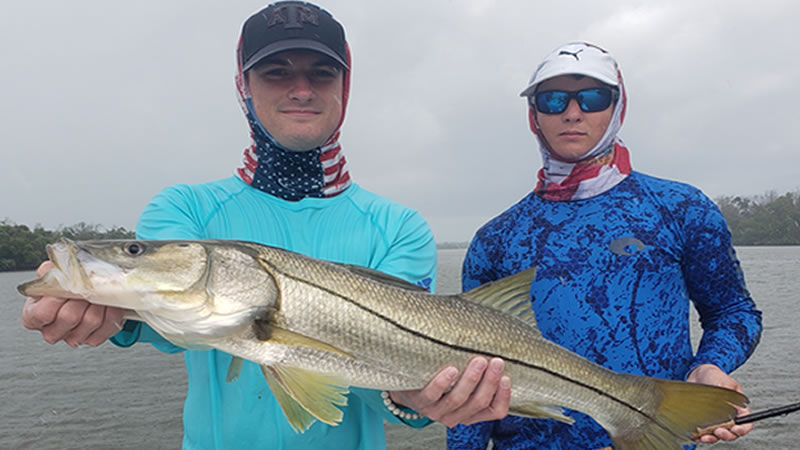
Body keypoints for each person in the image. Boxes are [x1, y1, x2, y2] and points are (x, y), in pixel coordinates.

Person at [21, 2, 511, 448]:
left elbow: (379, 376)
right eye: (276, 72)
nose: (301, 89)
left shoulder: (397, 227)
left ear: (346, 86)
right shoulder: (186, 211)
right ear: (244, 85)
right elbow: (180, 325)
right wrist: (111, 314)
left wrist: (416, 399)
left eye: (322, 73)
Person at [447, 42, 763, 449]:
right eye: (553, 99)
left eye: (593, 98)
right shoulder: (496, 238)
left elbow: (734, 312)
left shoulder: (681, 208)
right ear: (534, 115)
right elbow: (471, 380)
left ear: (618, 106)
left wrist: (710, 366)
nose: (572, 112)